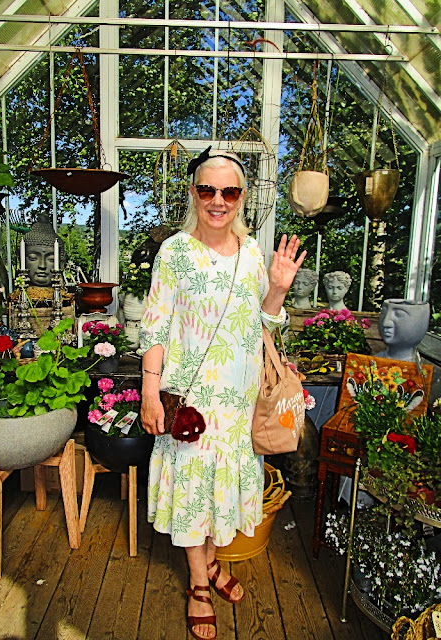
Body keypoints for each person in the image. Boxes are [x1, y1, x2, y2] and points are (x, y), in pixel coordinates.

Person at [139, 146, 306, 640]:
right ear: (193, 194)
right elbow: (155, 328)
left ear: (241, 197)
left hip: (238, 403)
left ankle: (211, 562)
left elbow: (264, 326)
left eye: (229, 191)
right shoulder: (174, 253)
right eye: (207, 190)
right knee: (195, 492)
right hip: (191, 404)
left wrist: (278, 288)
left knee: (219, 492)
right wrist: (150, 391)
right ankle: (198, 584)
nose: (218, 200)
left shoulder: (253, 254)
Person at [24, 214, 65, 287]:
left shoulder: (62, 294)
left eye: (51, 259)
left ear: (61, 263)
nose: (42, 266)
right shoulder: (20, 293)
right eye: (33, 258)